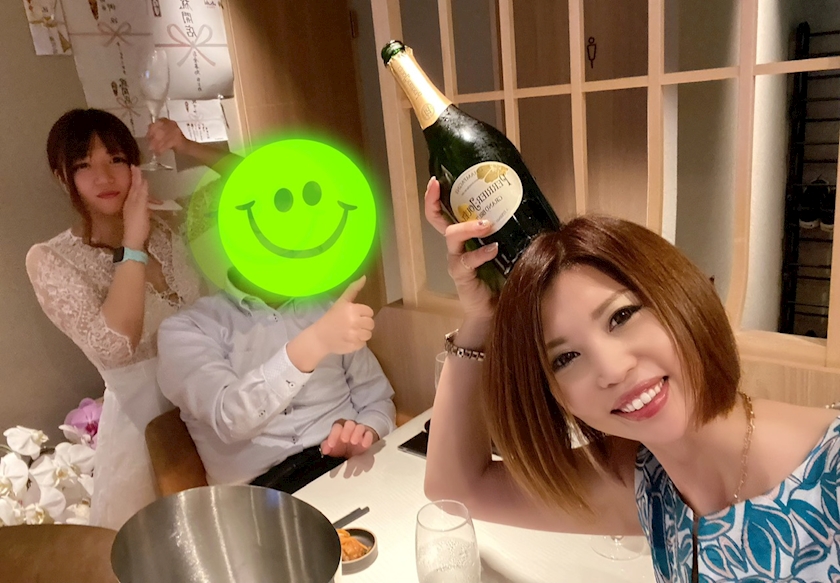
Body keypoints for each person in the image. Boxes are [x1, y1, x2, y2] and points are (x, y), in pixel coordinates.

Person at [421, 176, 840, 581]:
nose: (612, 369)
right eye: (566, 358)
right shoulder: (650, 484)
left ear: (681, 298)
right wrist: (481, 320)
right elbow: (456, 490)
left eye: (621, 316)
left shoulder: (830, 477)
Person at [26, 109, 233, 529]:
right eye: (83, 165)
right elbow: (117, 346)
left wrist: (186, 145)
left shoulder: (170, 223)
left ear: (134, 165)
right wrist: (132, 241)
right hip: (146, 434)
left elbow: (254, 180)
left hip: (216, 405)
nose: (104, 177)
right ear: (62, 177)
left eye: (116, 159)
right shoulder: (51, 259)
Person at [156, 268, 396, 492]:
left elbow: (377, 399)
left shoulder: (325, 307)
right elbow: (230, 419)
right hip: (263, 493)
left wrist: (367, 433)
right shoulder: (187, 329)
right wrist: (315, 342)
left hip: (350, 468)